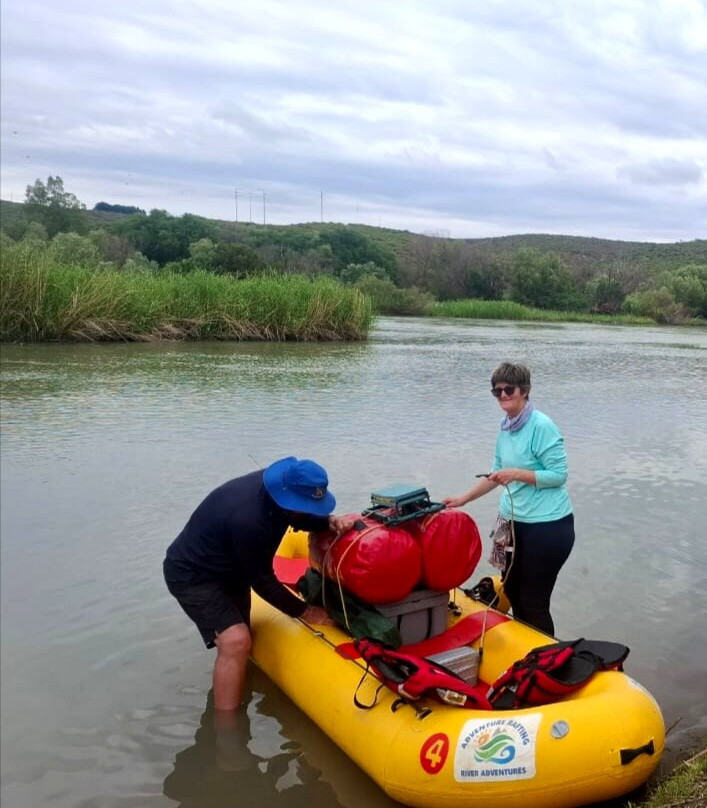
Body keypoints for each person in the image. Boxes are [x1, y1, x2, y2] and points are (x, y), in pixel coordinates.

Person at [163, 456, 353, 714]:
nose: (309, 510)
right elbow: (263, 582)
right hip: (194, 574)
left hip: (232, 567)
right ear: (286, 499)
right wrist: (306, 612)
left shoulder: (284, 491)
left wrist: (328, 521)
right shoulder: (248, 519)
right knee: (235, 641)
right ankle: (227, 730)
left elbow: (299, 517)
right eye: (305, 506)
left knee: (245, 640)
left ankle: (237, 681)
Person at [444, 363, 574, 636]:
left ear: (524, 391)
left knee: (534, 601)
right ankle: (526, 651)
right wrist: (463, 499)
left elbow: (558, 475)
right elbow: (495, 473)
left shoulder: (541, 426)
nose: (503, 395)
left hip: (548, 527)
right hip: (514, 524)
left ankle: (545, 659)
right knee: (512, 590)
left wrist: (516, 474)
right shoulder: (506, 427)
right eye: (497, 391)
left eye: (508, 389)